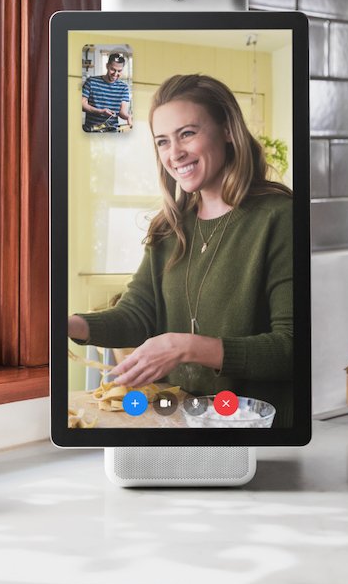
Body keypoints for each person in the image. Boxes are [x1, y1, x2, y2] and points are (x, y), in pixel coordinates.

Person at [66, 73, 293, 425]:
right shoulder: (169, 227)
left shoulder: (279, 217)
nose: (175, 154)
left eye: (187, 133)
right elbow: (136, 316)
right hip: (183, 422)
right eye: (162, 141)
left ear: (228, 130)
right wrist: (67, 324)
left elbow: (290, 348)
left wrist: (187, 347)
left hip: (258, 430)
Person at [80, 53, 132, 131]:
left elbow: (122, 112)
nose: (115, 74)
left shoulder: (124, 87)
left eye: (119, 71)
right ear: (107, 66)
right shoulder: (91, 81)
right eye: (113, 69)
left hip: (112, 131)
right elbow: (82, 104)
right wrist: (100, 111)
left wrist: (128, 117)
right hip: (91, 130)